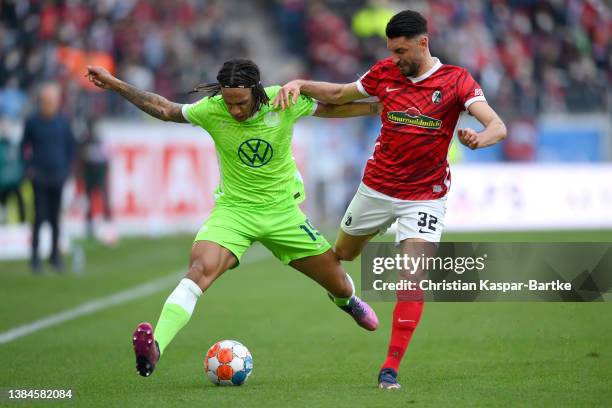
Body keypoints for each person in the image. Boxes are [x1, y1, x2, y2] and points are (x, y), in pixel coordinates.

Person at [86, 58, 382, 378]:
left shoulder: (281, 101)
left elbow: (331, 109)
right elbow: (165, 109)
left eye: (240, 103)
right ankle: (155, 347)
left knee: (338, 282)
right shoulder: (213, 109)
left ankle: (348, 301)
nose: (235, 111)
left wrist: (378, 107)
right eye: (229, 103)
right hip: (234, 213)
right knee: (199, 270)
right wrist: (115, 84)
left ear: (256, 92)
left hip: (283, 214)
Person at [274, 10, 507, 389]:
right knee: (342, 256)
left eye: (402, 52)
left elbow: (497, 124)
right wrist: (300, 83)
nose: (396, 59)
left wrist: (481, 138)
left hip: (425, 197)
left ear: (423, 43)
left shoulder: (455, 81)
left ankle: (390, 368)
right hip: (376, 189)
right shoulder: (384, 73)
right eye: (392, 52)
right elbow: (338, 94)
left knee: (412, 279)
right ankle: (347, 300)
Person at [20, 83, 75, 273]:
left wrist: (67, 169)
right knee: (39, 216)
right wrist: (28, 168)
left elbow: (70, 147)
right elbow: (23, 147)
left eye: (53, 100)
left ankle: (54, 256)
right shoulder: (33, 121)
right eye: (47, 100)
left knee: (55, 218)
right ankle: (35, 257)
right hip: (39, 176)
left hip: (58, 175)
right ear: (41, 102)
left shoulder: (63, 122)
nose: (50, 104)